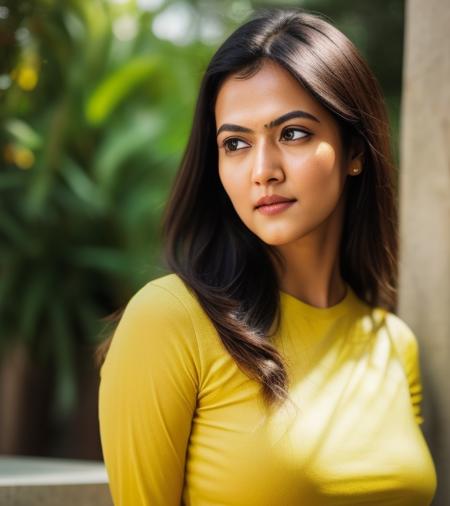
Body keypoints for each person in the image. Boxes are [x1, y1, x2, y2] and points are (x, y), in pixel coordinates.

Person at [97, 7, 437, 506]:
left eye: (293, 133)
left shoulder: (393, 344)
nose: (263, 171)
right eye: (235, 143)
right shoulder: (170, 321)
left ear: (355, 150)